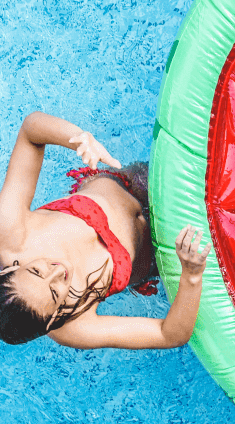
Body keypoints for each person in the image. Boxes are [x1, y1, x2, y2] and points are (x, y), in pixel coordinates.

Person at [0, 112, 209, 349]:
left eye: (36, 270)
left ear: (12, 268)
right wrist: (191, 274)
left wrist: (79, 138)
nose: (58, 271)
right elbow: (169, 334)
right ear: (52, 320)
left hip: (132, 185)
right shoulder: (75, 327)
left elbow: (30, 131)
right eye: (55, 293)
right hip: (157, 252)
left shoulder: (11, 230)